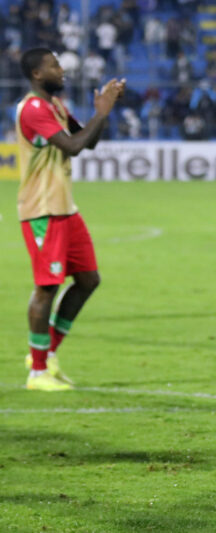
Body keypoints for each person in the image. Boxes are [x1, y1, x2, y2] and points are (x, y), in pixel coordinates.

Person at [16, 48, 125, 391]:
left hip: (65, 208)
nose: (62, 70)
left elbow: (87, 141)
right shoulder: (33, 110)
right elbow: (73, 146)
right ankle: (37, 371)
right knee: (47, 287)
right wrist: (101, 112)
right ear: (37, 74)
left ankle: (47, 354)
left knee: (88, 279)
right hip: (42, 210)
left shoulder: (55, 106)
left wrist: (102, 115)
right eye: (54, 66)